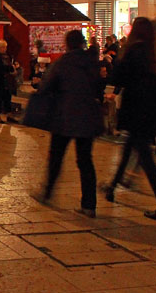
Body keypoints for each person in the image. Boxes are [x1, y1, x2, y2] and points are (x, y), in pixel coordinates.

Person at [104, 17, 156, 222]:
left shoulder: (134, 51)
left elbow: (117, 77)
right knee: (128, 149)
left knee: (144, 157)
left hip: (136, 110)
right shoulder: (155, 53)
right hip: (150, 112)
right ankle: (111, 187)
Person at [32, 30, 103, 218]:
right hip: (88, 116)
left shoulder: (62, 63)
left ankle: (47, 192)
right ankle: (89, 204)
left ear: (67, 44)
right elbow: (99, 86)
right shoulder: (92, 62)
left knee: (56, 156)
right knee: (85, 160)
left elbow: (46, 86)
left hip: (65, 116)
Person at [0, 39, 18, 124]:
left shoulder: (6, 56)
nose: (5, 49)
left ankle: (9, 115)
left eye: (5, 47)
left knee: (7, 97)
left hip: (6, 80)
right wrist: (10, 68)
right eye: (3, 47)